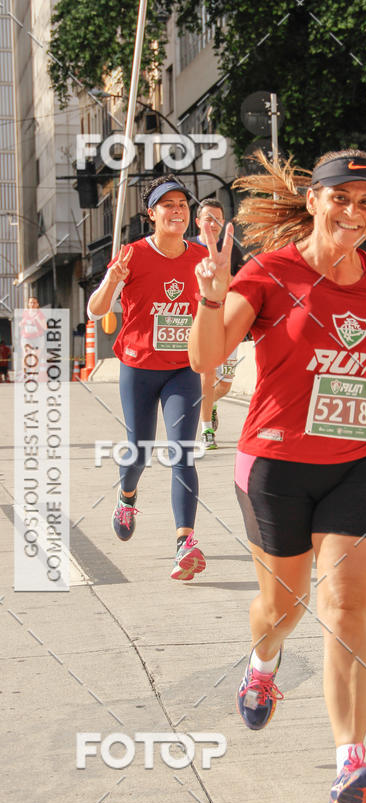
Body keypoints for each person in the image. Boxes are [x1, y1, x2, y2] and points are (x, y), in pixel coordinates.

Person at [188, 150, 366, 803]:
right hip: (277, 464)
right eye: (343, 197)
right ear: (314, 202)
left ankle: (351, 763)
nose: (355, 212)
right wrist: (212, 296)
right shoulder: (269, 272)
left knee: (346, 613)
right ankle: (263, 661)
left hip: (359, 461)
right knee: (284, 611)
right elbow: (209, 356)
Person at [88, 175, 209, 581]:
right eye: (167, 204)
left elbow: (219, 306)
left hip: (182, 370)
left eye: (182, 204)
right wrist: (113, 279)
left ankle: (185, 543)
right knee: (139, 451)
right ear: (150, 213)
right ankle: (126, 497)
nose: (177, 210)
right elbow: (94, 309)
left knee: (183, 453)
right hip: (139, 368)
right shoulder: (132, 254)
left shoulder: (201, 257)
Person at [194, 198, 243, 449]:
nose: (211, 224)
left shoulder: (232, 249)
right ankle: (206, 431)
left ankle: (210, 404)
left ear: (222, 223)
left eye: (216, 219)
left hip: (227, 320)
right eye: (207, 219)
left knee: (224, 384)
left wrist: (225, 276)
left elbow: (243, 283)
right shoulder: (188, 248)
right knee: (207, 375)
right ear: (197, 222)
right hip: (201, 320)